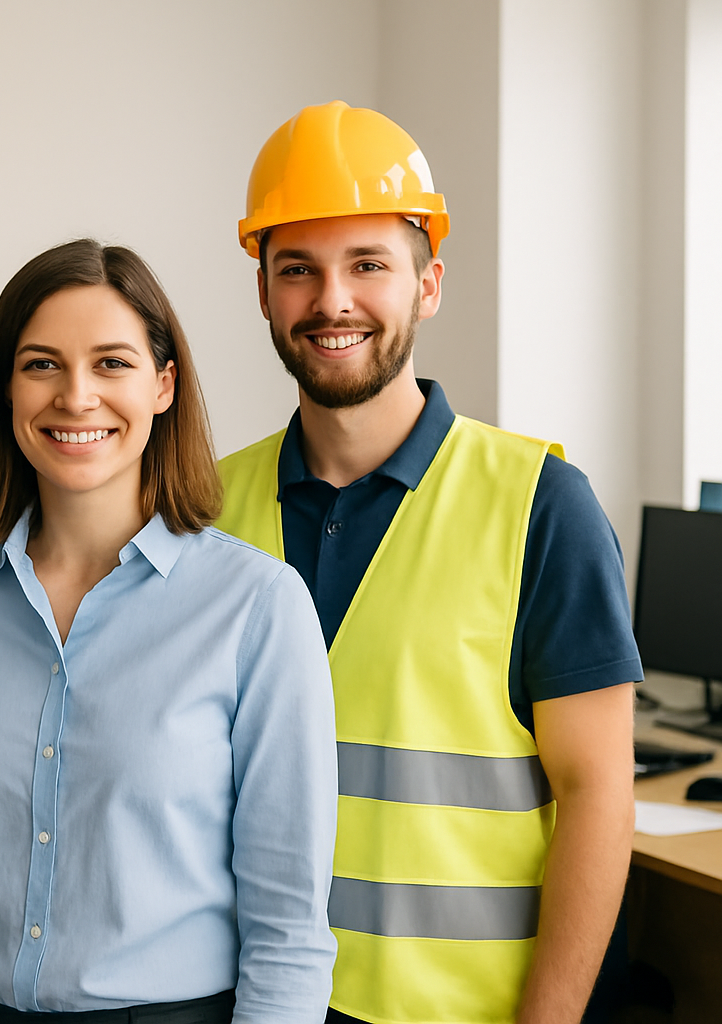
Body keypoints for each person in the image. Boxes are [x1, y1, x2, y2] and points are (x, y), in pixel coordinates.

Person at [0, 239, 339, 1023]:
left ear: (163, 385)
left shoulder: (258, 607)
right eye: (42, 364)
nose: (76, 397)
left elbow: (288, 925)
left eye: (112, 364)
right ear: (6, 389)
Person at [216, 101, 640, 1024]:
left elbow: (598, 796)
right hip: (253, 1002)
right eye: (298, 268)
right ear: (264, 292)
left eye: (368, 264)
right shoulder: (206, 507)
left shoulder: (540, 506)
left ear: (428, 284)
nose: (332, 301)